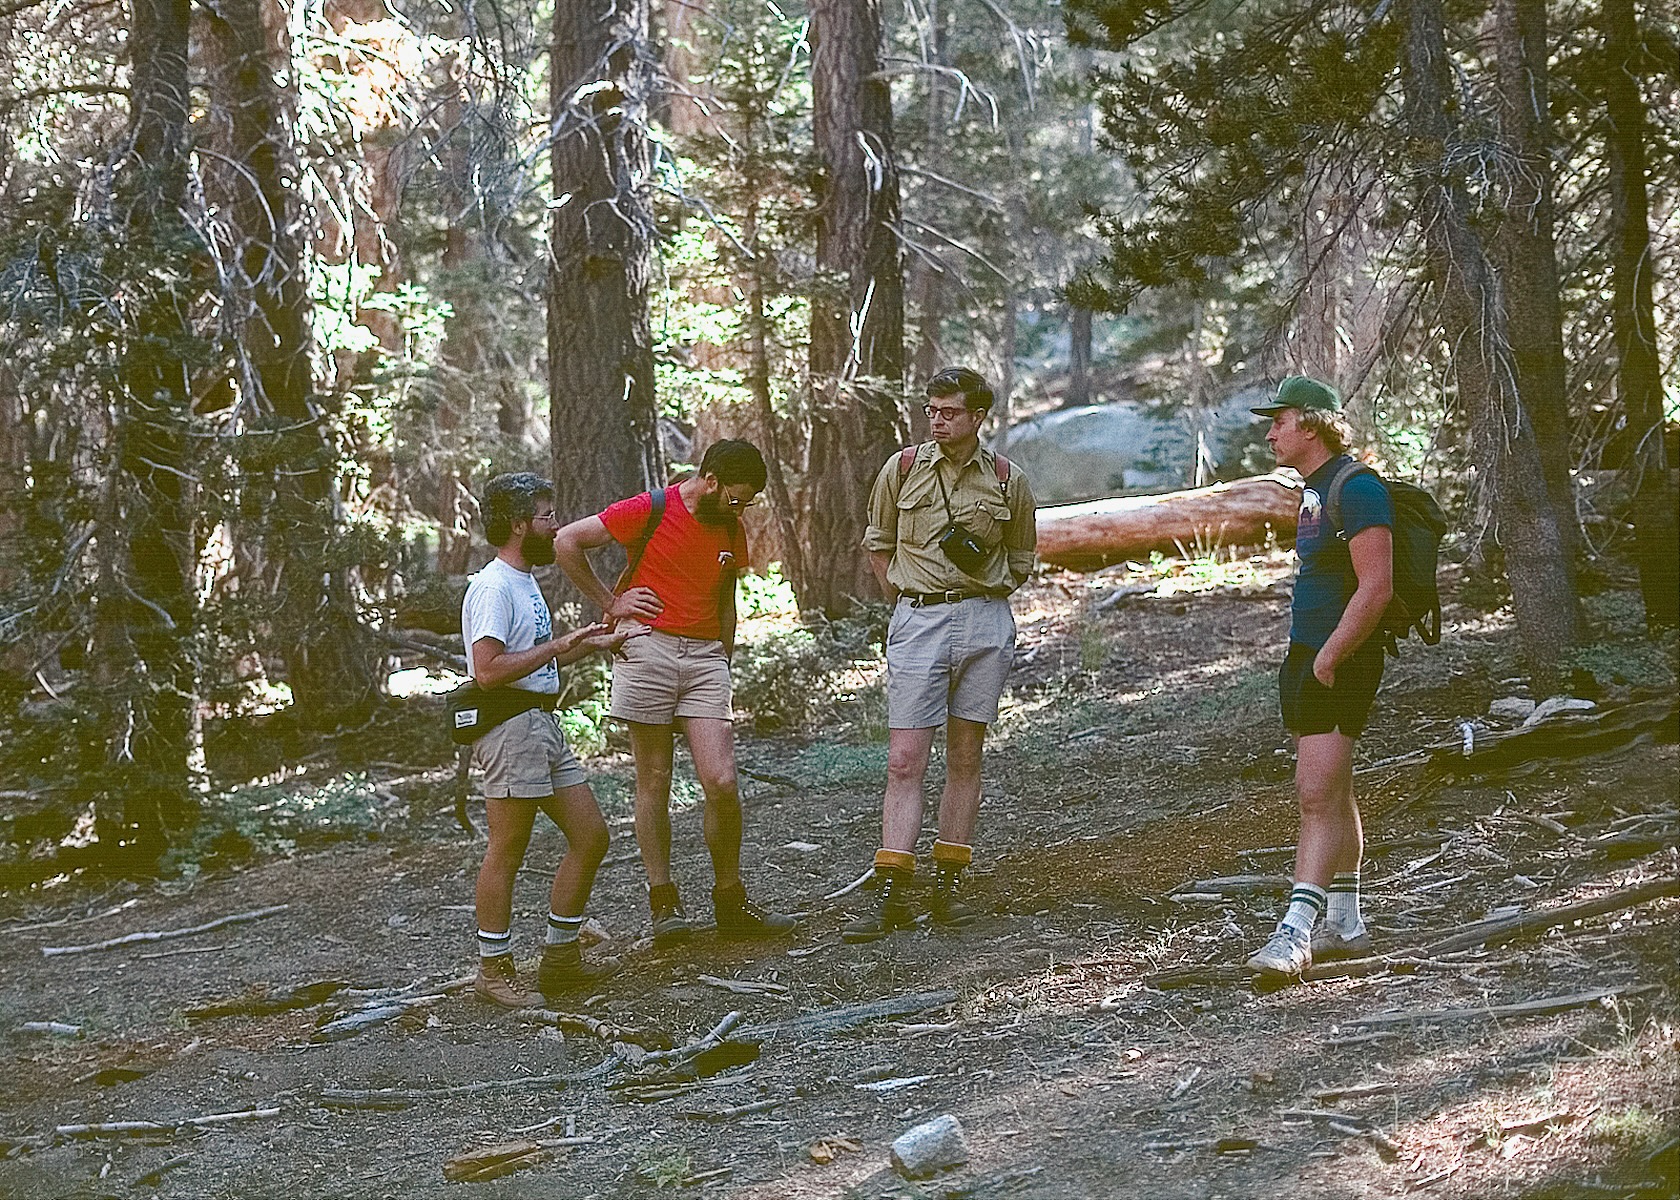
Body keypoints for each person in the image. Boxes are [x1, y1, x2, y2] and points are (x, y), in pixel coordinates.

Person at [553, 440, 795, 946]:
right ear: (709, 478)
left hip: (706, 658)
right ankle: (664, 903)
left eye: (747, 502)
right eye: (734, 498)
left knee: (722, 781)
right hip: (648, 649)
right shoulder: (651, 508)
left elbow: (726, 596)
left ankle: (730, 900)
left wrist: (724, 655)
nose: (740, 509)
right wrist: (611, 602)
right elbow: (567, 541)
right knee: (655, 777)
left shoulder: (730, 525)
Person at [844, 367, 1038, 943]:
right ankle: (892, 890)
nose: (938, 420)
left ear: (978, 417)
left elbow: (1023, 554)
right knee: (905, 758)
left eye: (950, 412)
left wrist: (985, 588)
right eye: (932, 410)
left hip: (984, 620)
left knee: (965, 756)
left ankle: (948, 886)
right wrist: (907, 601)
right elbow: (878, 543)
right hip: (919, 618)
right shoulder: (902, 468)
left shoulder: (1007, 479)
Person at [463, 472, 645, 1008]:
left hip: (541, 724)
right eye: (547, 516)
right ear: (520, 525)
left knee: (591, 837)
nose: (557, 525)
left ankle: (560, 958)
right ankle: (493, 970)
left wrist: (591, 642)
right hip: (509, 728)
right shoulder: (493, 587)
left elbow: (535, 656)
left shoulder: (524, 582)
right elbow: (488, 670)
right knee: (508, 848)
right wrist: (561, 643)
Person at [1244, 376, 1394, 979]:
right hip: (1311, 654)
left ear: (1310, 424)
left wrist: (1330, 656)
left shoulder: (1357, 489)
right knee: (1332, 789)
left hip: (1340, 657)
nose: (1270, 432)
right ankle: (1348, 925)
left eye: (1278, 421)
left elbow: (1376, 586)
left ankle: (1295, 933)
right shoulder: (1314, 490)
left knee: (1315, 792)